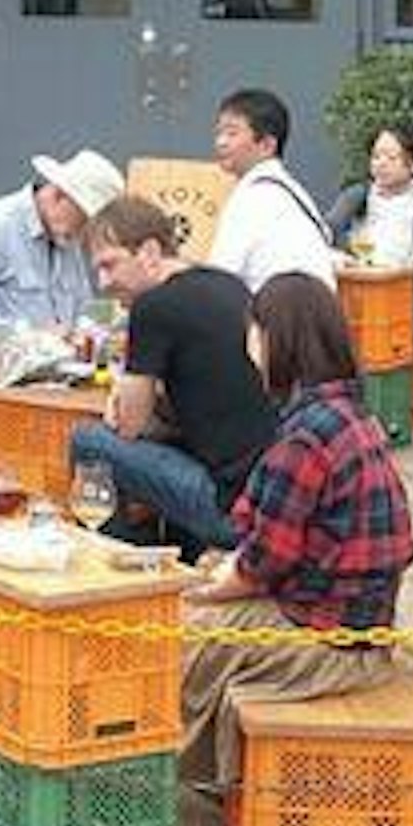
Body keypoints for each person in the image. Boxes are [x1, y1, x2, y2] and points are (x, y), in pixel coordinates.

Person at [179, 274, 413, 800]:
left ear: (274, 338)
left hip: (328, 641)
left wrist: (201, 589)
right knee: (202, 601)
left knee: (176, 632)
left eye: (254, 332)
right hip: (363, 626)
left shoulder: (304, 437)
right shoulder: (351, 414)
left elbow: (261, 563)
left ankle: (182, 771)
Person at [69, 195, 271, 556]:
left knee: (88, 441)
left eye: (110, 265)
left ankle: (117, 569)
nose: (102, 282)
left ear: (149, 252)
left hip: (227, 510)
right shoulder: (227, 283)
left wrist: (121, 391)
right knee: (173, 445)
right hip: (267, 501)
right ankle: (180, 558)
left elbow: (129, 426)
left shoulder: (153, 306)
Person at [0, 148, 120, 359]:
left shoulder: (66, 235)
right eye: (83, 219)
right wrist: (30, 336)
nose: (85, 232)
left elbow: (82, 310)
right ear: (59, 196)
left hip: (53, 374)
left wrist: (89, 333)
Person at [329, 124, 413, 333]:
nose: (381, 164)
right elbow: (329, 229)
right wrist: (346, 257)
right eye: (376, 156)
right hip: (359, 300)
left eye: (391, 158)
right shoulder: (357, 195)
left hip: (405, 305)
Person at [209, 87, 335, 289]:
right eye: (219, 132)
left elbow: (219, 277)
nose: (220, 142)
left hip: (276, 316)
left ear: (267, 145)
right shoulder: (290, 189)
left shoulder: (254, 197)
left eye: (232, 133)